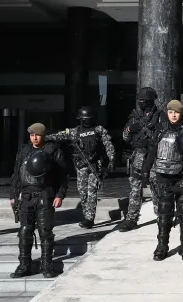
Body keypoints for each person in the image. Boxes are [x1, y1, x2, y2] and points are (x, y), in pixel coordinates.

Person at [142, 100, 183, 261]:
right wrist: (145, 171)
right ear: (167, 113)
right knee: (164, 213)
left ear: (181, 113)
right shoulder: (160, 129)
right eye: (170, 112)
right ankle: (162, 246)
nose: (173, 115)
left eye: (176, 112)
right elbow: (152, 151)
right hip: (163, 176)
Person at [9, 123, 69, 278]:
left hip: (45, 195)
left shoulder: (53, 151)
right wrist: (13, 195)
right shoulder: (24, 151)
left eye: (37, 135)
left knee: (45, 232)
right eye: (31, 135)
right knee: (25, 231)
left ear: (43, 136)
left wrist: (59, 195)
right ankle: (24, 265)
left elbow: (63, 176)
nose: (34, 138)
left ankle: (46, 266)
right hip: (26, 196)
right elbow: (16, 174)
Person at [47, 106, 115, 228]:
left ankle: (89, 219)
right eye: (85, 119)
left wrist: (112, 160)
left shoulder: (99, 130)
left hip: (95, 165)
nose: (87, 121)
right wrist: (44, 138)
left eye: (89, 119)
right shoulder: (75, 132)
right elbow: (59, 136)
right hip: (81, 166)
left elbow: (108, 145)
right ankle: (86, 216)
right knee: (83, 193)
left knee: (91, 192)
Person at [118, 87, 163, 232]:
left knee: (156, 187)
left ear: (149, 101)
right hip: (138, 156)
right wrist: (130, 129)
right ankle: (131, 219)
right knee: (135, 189)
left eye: (142, 100)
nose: (140, 103)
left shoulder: (160, 116)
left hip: (154, 157)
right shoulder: (134, 117)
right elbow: (125, 138)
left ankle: (162, 216)